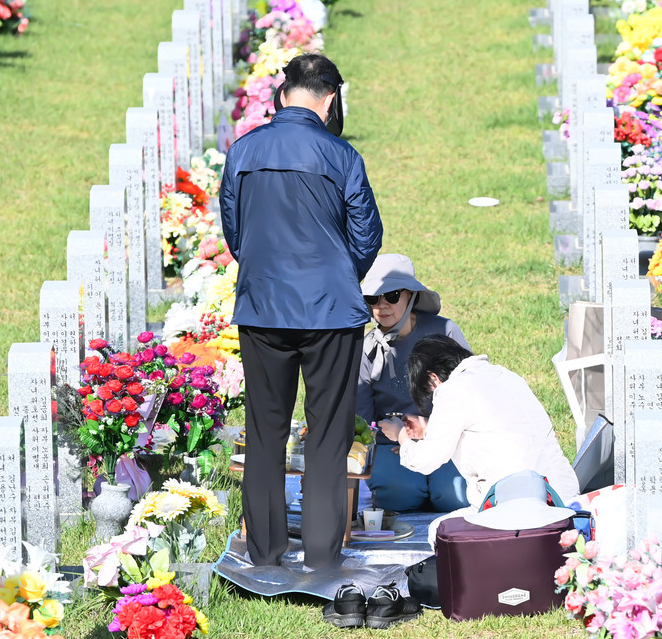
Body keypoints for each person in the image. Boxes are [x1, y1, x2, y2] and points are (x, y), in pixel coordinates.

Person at [219, 53, 383, 570]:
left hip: (263, 306)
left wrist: (269, 271)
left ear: (283, 93)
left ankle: (266, 554)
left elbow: (235, 233)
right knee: (329, 435)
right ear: (331, 99)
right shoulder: (342, 156)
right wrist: (336, 274)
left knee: (265, 432)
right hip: (330, 310)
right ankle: (322, 554)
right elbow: (367, 236)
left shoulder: (243, 150)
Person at [376, 335, 580, 544]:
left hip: (519, 509)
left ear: (433, 378)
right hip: (565, 499)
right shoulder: (505, 375)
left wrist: (400, 434)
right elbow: (490, 426)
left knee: (439, 531)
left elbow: (425, 461)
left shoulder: (452, 389)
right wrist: (428, 428)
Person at [357, 254, 471, 513]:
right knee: (399, 496)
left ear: (410, 295)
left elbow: (469, 392)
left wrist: (431, 434)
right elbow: (363, 416)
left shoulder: (445, 331)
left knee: (455, 497)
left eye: (392, 295)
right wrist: (395, 438)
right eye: (373, 298)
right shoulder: (365, 348)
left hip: (446, 435)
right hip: (391, 442)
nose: (382, 305)